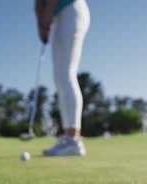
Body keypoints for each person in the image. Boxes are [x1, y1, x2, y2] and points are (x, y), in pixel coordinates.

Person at [34, 0, 90, 156]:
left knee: (66, 74)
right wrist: (40, 23)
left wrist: (46, 14)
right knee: (59, 77)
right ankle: (68, 136)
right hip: (59, 16)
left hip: (71, 8)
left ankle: (73, 139)